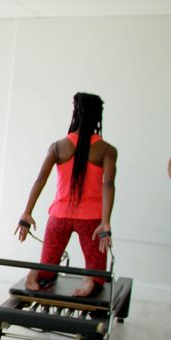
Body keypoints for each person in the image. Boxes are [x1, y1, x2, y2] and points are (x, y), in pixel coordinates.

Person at [15, 92, 117, 297]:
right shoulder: (106, 150)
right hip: (91, 220)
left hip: (59, 216)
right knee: (96, 271)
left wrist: (27, 213)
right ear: (98, 117)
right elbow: (108, 184)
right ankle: (89, 282)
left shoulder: (58, 146)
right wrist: (106, 222)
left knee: (49, 266)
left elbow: (40, 180)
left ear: (75, 114)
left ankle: (36, 273)